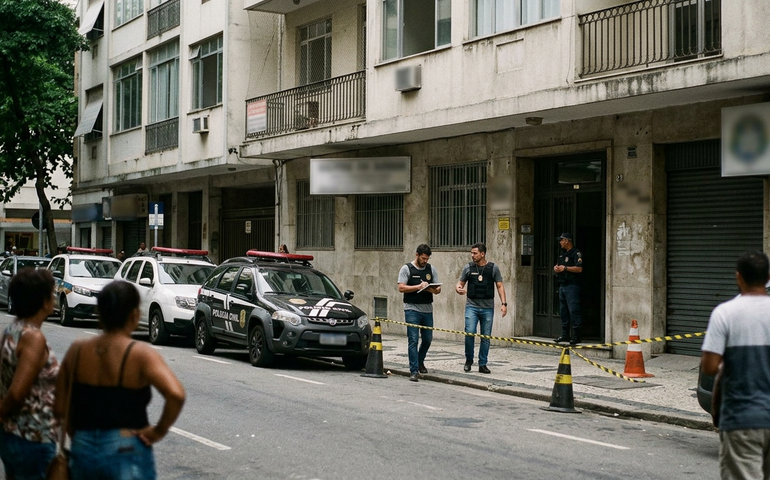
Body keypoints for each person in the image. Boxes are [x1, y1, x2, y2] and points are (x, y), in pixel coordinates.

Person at [54, 280, 185, 479]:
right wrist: (158, 431)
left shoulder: (77, 351)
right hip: (125, 447)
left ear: (99, 313)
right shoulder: (139, 354)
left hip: (83, 444)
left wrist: (80, 435)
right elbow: (176, 394)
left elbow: (59, 408)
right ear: (134, 315)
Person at [701, 251, 770, 479]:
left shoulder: (725, 313)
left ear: (738, 277)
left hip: (741, 419)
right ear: (768, 276)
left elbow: (709, 366)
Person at [0, 269, 59, 480]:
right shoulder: (33, 337)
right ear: (43, 301)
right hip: (32, 439)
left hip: (12, 436)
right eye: (52, 294)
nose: (55, 298)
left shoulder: (12, 329)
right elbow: (17, 392)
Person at [455, 242, 507, 374]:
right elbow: (459, 284)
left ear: (482, 254)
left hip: (487, 308)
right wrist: (458, 289)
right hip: (471, 306)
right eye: (472, 253)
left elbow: (500, 286)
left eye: (475, 253)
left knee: (486, 337)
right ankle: (469, 360)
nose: (472, 255)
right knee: (469, 333)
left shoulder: (493, 268)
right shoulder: (468, 268)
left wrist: (504, 304)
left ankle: (483, 364)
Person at [397, 244, 441, 382]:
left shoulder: (431, 269)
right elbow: (401, 287)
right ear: (417, 255)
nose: (425, 261)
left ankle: (420, 360)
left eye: (427, 259)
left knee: (427, 339)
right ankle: (414, 370)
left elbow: (438, 288)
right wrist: (418, 286)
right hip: (412, 309)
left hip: (427, 309)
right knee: (413, 339)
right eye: (423, 258)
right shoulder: (406, 269)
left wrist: (431, 289)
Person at [553, 232, 583, 345]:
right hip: (562, 285)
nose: (560, 242)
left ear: (567, 241)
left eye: (561, 240)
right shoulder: (562, 254)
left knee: (574, 310)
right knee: (563, 311)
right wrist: (556, 268)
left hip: (572, 285)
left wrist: (565, 268)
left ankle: (576, 335)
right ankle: (565, 334)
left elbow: (579, 269)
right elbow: (558, 265)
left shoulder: (576, 253)